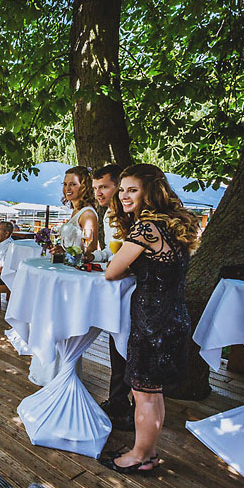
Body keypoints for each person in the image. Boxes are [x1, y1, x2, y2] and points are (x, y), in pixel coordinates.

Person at [101, 164, 200, 474]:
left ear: (150, 192)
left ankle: (139, 456)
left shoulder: (146, 228)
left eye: (133, 190)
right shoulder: (173, 226)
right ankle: (150, 452)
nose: (124, 196)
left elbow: (111, 270)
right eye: (123, 190)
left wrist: (132, 266)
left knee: (144, 393)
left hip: (151, 322)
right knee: (152, 391)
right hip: (174, 318)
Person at [85, 164, 133, 431]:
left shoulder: (133, 216)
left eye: (104, 186)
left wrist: (112, 265)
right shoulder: (108, 216)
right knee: (116, 340)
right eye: (95, 188)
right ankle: (117, 401)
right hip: (116, 285)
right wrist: (94, 256)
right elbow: (112, 253)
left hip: (133, 288)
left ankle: (125, 404)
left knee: (125, 341)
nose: (98, 192)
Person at [50, 166, 98, 257]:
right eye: (65, 184)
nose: (67, 188)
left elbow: (91, 251)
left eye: (73, 184)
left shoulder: (87, 214)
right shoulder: (76, 211)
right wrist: (61, 249)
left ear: (84, 186)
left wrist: (66, 254)